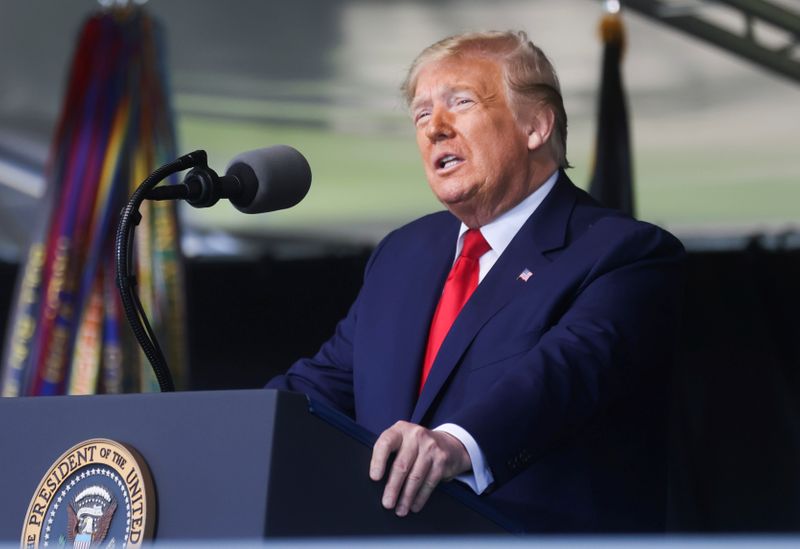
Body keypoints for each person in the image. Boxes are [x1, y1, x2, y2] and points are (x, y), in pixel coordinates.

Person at [267, 30, 685, 532]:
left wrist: (455, 443)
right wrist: (229, 424)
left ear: (535, 126)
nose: (434, 129)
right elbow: (323, 383)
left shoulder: (624, 254)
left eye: (458, 103)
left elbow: (561, 377)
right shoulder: (403, 255)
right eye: (421, 114)